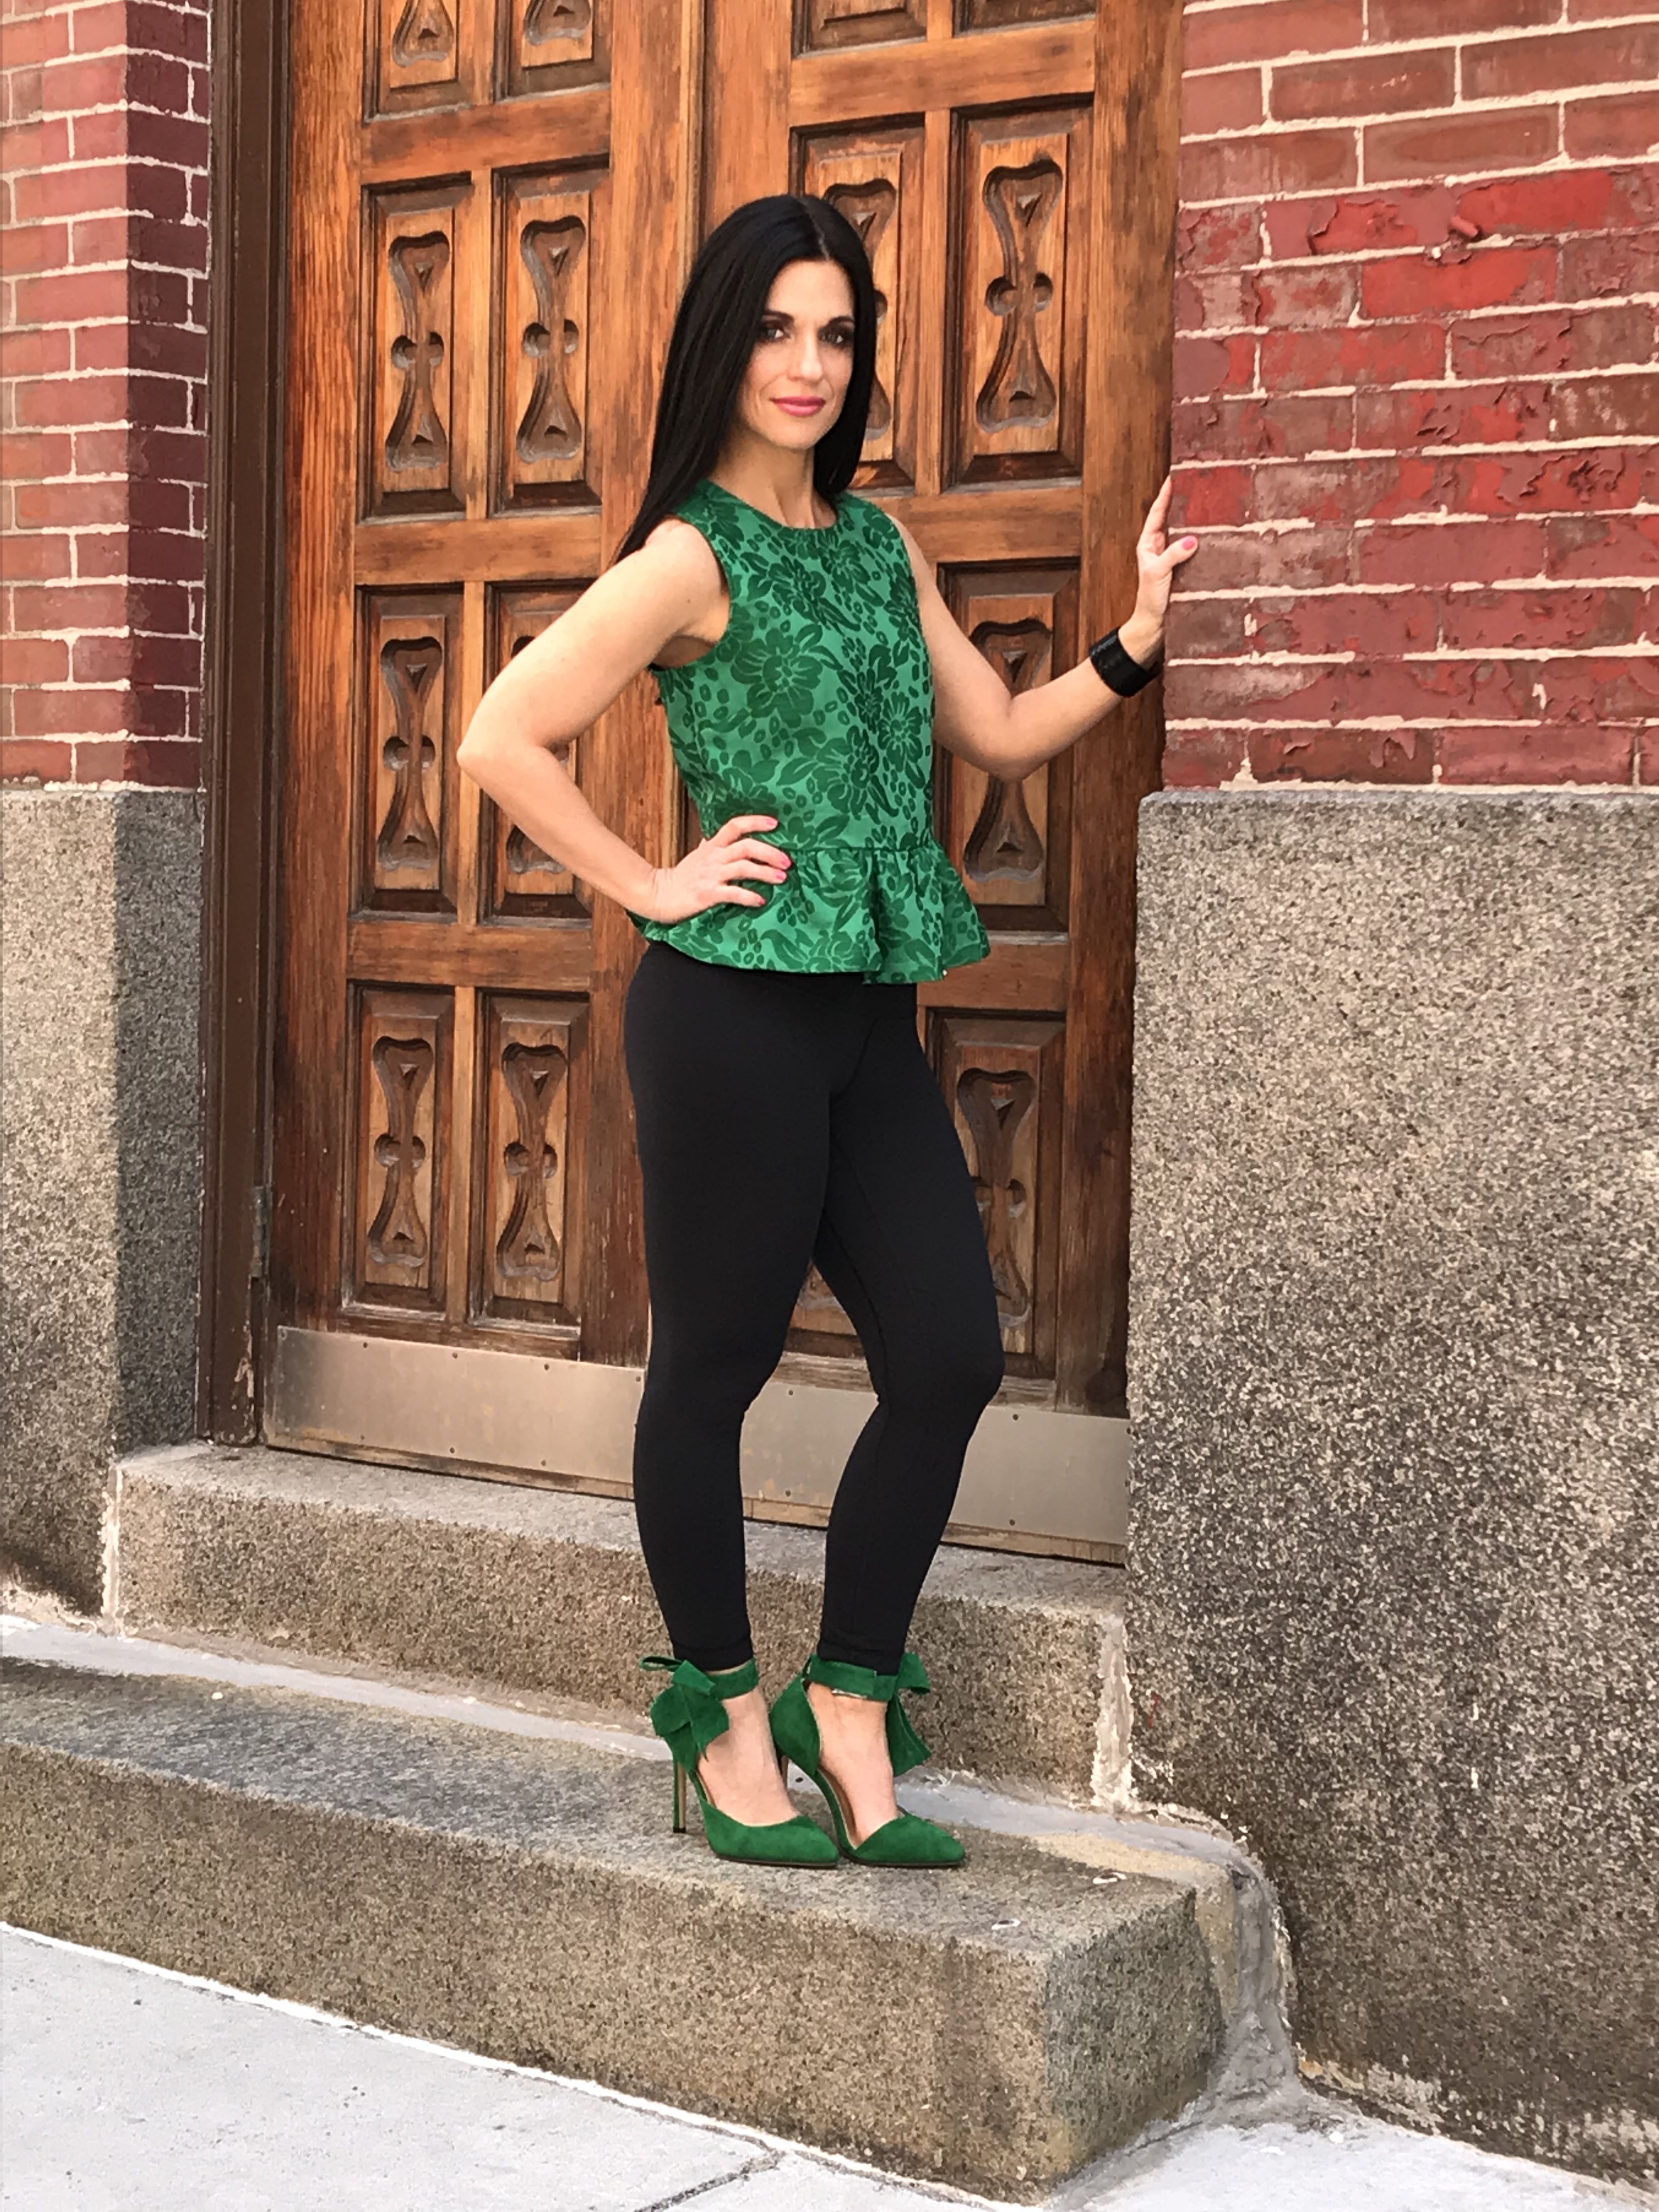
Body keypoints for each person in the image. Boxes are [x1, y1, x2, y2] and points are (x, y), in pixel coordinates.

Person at [457, 194, 1197, 1871]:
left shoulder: (877, 546)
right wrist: (655, 882)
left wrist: (1138, 641)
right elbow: (500, 735)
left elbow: (996, 732)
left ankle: (848, 1700)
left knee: (946, 1354)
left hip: (866, 1015)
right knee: (712, 1371)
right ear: (725, 350)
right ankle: (721, 1719)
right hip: (728, 1016)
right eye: (778, 331)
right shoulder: (689, 556)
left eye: (837, 333)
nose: (808, 364)